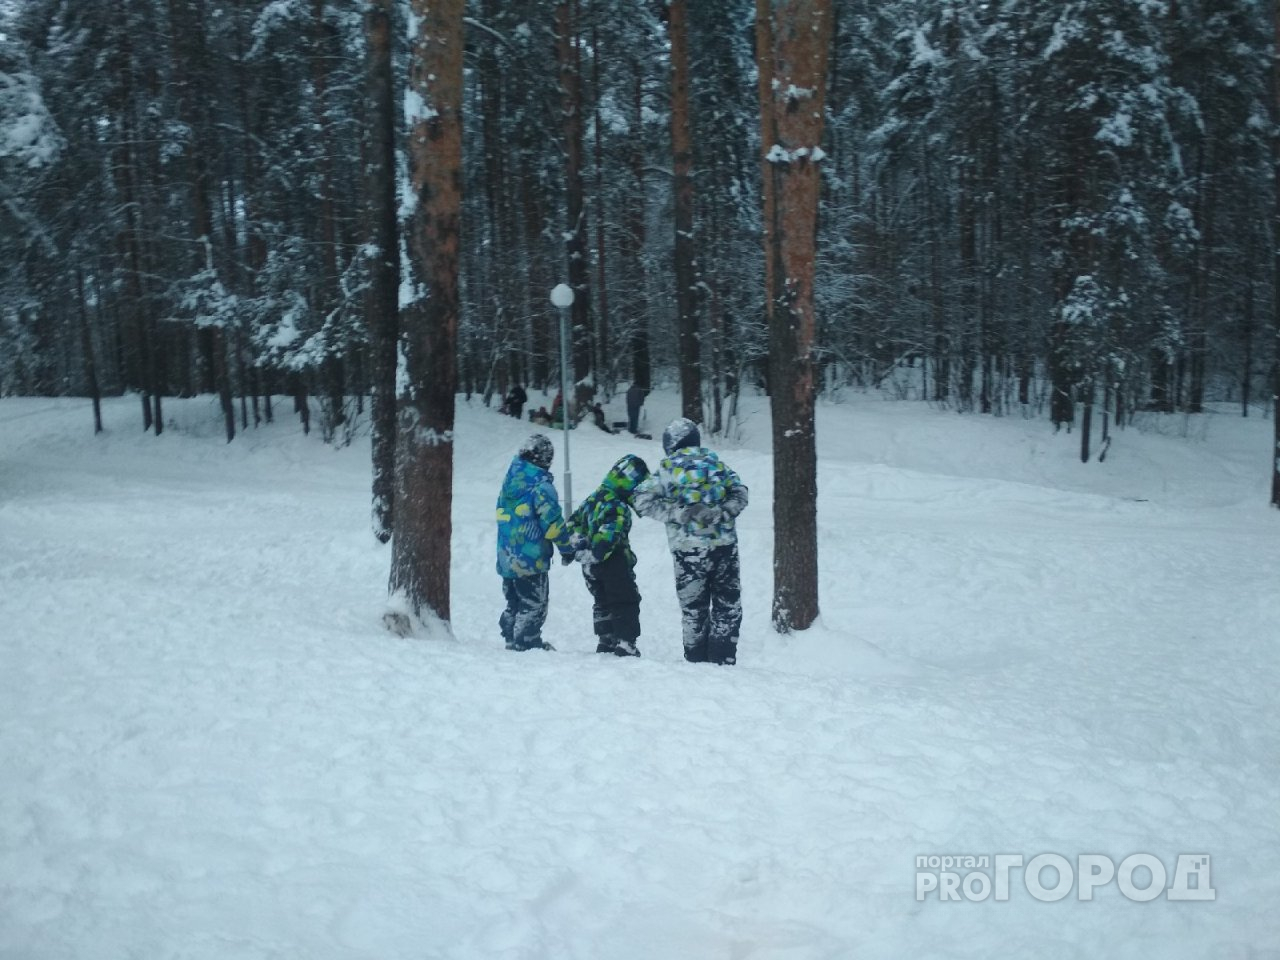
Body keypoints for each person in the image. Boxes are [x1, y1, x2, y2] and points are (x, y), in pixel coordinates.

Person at [633, 418, 748, 665]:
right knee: (727, 605)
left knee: (694, 609)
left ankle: (696, 662)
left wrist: (677, 513)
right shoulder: (717, 465)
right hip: (723, 547)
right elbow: (740, 493)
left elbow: (641, 499)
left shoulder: (666, 470)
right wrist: (721, 513)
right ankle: (723, 659)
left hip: (687, 552)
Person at [560, 454, 651, 657]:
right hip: (612, 561)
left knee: (602, 600)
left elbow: (572, 524)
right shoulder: (616, 505)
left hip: (590, 566)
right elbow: (611, 531)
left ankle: (606, 639)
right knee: (624, 599)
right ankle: (626, 642)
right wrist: (598, 550)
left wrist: (576, 546)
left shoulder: (592, 500)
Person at [495, 434, 572, 651]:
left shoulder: (510, 481)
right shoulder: (540, 486)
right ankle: (526, 641)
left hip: (507, 557)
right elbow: (552, 522)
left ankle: (511, 636)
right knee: (534, 603)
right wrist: (566, 548)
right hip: (530, 558)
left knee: (514, 601)